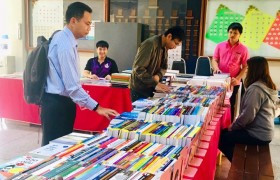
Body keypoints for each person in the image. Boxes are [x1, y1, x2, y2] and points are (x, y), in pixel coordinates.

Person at [41, 2, 119, 146]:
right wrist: (97, 108)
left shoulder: (65, 39)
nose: (89, 28)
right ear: (73, 21)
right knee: (55, 150)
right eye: (87, 24)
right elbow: (72, 87)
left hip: (60, 102)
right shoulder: (64, 43)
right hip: (57, 105)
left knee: (59, 148)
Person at [219, 56, 278, 162]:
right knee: (225, 134)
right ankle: (240, 162)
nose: (246, 72)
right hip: (264, 132)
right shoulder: (267, 85)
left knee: (222, 138)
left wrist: (233, 127)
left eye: (248, 69)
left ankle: (239, 164)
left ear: (254, 70)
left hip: (257, 134)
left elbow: (247, 116)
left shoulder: (256, 89)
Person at [129, 26, 185, 102]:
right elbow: (138, 69)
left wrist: (158, 76)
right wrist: (155, 83)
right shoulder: (150, 44)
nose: (175, 47)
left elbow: (164, 68)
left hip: (151, 87)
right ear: (169, 36)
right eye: (175, 43)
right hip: (140, 89)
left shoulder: (165, 47)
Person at [211, 22, 249, 122]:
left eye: (235, 33)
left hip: (233, 81)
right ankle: (216, 123)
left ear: (240, 34)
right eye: (230, 32)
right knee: (217, 102)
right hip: (220, 79)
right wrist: (216, 68)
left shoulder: (243, 49)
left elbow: (245, 66)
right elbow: (214, 59)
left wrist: (238, 78)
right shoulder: (220, 46)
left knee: (231, 104)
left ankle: (229, 125)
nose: (232, 35)